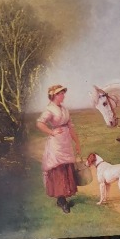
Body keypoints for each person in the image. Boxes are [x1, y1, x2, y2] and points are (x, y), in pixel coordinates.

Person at [37, 84, 82, 213]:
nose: (63, 96)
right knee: (58, 168)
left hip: (66, 142)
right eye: (61, 94)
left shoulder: (64, 109)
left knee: (67, 167)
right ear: (54, 95)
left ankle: (63, 197)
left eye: (63, 93)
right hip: (56, 143)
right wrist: (51, 132)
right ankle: (61, 200)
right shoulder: (50, 109)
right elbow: (40, 123)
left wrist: (77, 143)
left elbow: (71, 127)